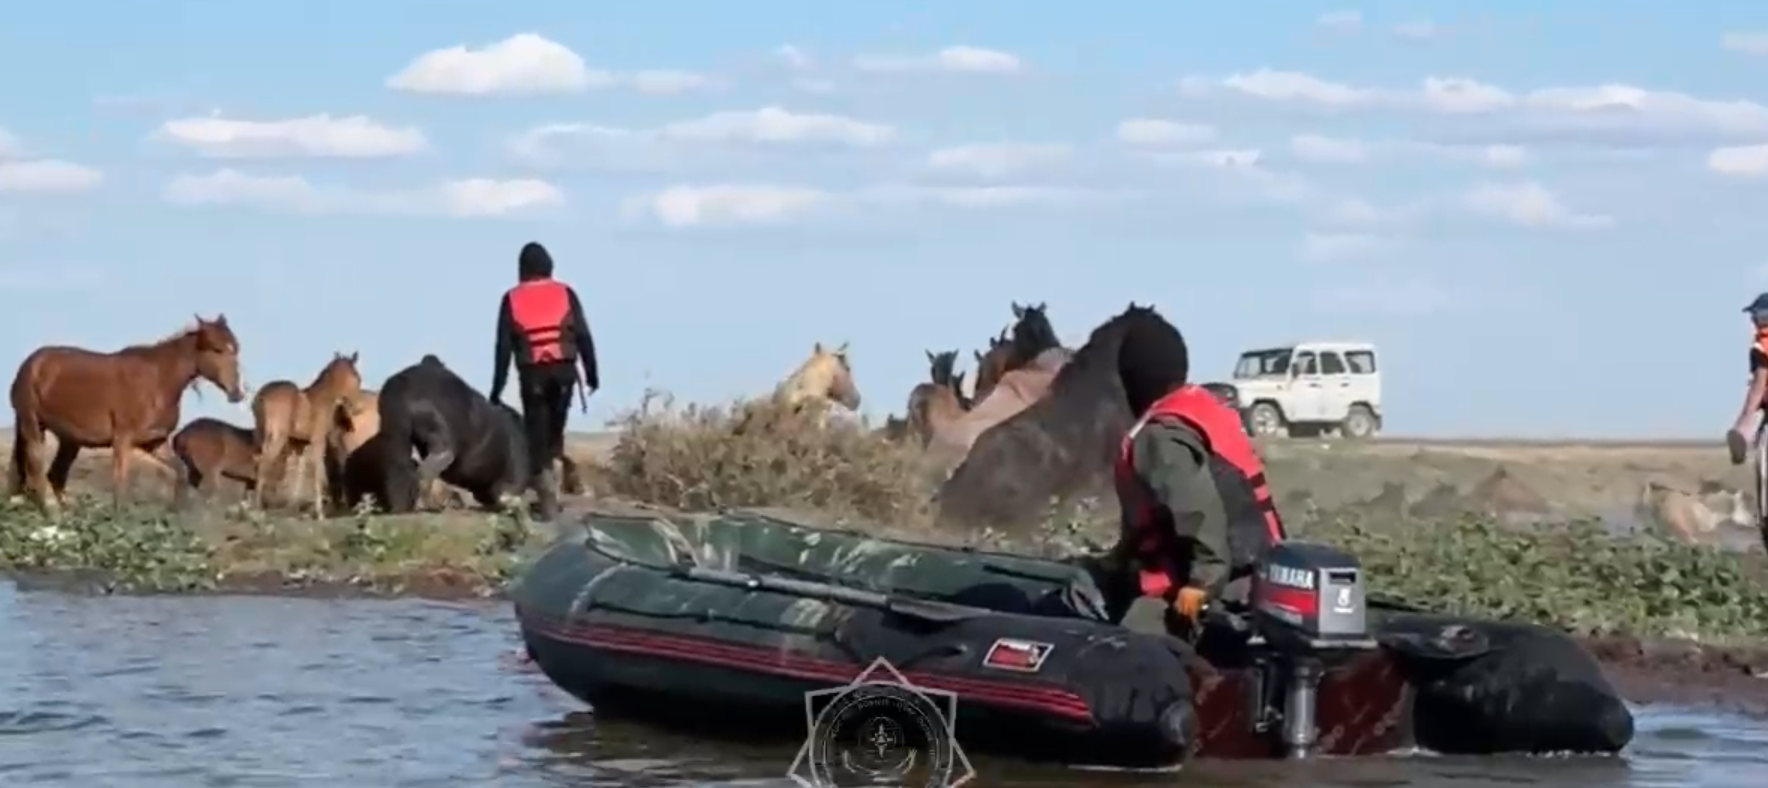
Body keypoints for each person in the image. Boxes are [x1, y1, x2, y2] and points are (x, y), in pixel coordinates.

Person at [1108, 316, 1287, 639]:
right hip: (1255, 567)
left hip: (1225, 582)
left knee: (1129, 643)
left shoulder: (1159, 437)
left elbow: (1198, 510)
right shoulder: (1200, 408)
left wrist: (1200, 584)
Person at [489, 241, 599, 519]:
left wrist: (497, 388)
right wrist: (592, 373)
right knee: (554, 431)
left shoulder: (511, 298)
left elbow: (503, 348)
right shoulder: (566, 293)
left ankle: (548, 504)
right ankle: (552, 489)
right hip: (564, 373)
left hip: (533, 375)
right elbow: (583, 336)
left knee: (536, 437)